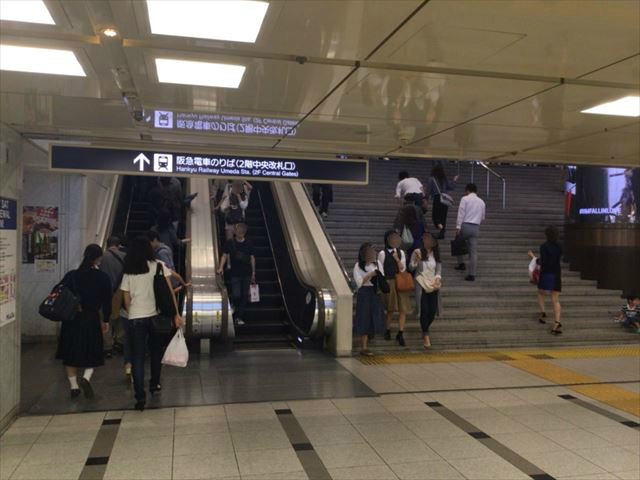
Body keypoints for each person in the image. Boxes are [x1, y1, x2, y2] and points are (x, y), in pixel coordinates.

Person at [120, 236, 182, 411]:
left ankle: (140, 397)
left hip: (135, 318)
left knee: (138, 358)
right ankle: (154, 384)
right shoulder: (159, 266)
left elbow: (126, 298)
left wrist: (132, 311)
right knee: (156, 353)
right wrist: (176, 314)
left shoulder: (129, 271)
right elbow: (170, 292)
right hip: (156, 318)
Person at [56, 244, 112, 399]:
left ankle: (74, 387)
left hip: (72, 318)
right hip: (91, 318)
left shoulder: (72, 275)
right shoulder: (102, 277)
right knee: (92, 350)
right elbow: (107, 301)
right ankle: (86, 377)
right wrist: (106, 319)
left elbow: (57, 290)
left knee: (70, 352)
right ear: (98, 258)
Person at [216, 221, 256, 327]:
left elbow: (252, 257)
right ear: (235, 231)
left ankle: (238, 317)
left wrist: (253, 273)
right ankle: (233, 303)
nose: (240, 231)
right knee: (236, 294)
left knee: (244, 295)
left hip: (247, 273)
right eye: (238, 229)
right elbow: (224, 255)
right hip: (235, 273)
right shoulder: (230, 242)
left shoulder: (249, 242)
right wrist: (220, 267)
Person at [528, 226, 563, 335]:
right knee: (555, 299)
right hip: (556, 274)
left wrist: (533, 257)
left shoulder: (544, 246)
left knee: (541, 292)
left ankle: (543, 312)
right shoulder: (560, 247)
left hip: (546, 274)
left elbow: (543, 261)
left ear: (546, 235)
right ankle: (557, 322)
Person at [410, 233, 442, 349]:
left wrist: (438, 279)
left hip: (433, 284)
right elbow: (411, 268)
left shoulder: (436, 254)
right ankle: (426, 335)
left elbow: (438, 269)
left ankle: (425, 328)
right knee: (424, 309)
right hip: (421, 283)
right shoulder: (417, 252)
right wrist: (416, 261)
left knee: (432, 311)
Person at [378, 230, 409, 346]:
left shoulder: (401, 252)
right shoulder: (382, 253)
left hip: (400, 281)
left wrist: (397, 259)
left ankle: (400, 332)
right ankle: (388, 329)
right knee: (390, 308)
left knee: (403, 308)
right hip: (389, 281)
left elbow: (402, 268)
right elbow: (380, 269)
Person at [353, 243, 385, 356]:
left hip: (375, 293)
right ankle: (364, 347)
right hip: (364, 293)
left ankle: (369, 339)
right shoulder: (358, 266)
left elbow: (382, 277)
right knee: (364, 317)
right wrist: (370, 274)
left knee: (374, 316)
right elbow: (359, 282)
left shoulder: (378, 264)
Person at [99, 236, 127, 358]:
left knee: (105, 319)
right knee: (120, 317)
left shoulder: (102, 257)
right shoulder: (124, 256)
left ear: (107, 244)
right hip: (121, 292)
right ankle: (120, 343)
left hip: (104, 292)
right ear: (119, 245)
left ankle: (108, 346)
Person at [455, 183, 486, 281]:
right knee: (473, 252)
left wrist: (458, 227)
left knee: (458, 243)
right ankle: (472, 274)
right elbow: (483, 217)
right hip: (475, 227)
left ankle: (461, 264)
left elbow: (461, 213)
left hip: (465, 225)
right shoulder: (482, 202)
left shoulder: (465, 199)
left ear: (467, 190)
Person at [428, 163, 458, 239]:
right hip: (444, 199)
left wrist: (426, 197)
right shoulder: (444, 178)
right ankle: (442, 232)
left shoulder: (432, 178)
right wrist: (454, 180)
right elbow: (451, 187)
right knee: (443, 217)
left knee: (435, 216)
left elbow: (429, 189)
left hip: (437, 198)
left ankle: (439, 227)